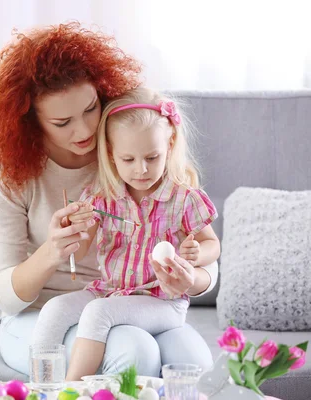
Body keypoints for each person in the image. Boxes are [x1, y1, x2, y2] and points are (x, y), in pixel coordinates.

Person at [0, 22, 218, 378]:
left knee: (193, 361)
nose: (84, 131)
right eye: (62, 122)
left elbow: (199, 247)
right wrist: (53, 251)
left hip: (137, 304)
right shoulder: (11, 171)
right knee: (135, 350)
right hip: (41, 315)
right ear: (31, 122)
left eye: (90, 108)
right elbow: (6, 297)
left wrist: (189, 278)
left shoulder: (132, 143)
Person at [28, 87, 220, 381]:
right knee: (55, 309)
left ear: (169, 145)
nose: (141, 170)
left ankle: (70, 391)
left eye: (152, 157)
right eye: (128, 159)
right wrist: (74, 233)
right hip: (110, 289)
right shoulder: (102, 196)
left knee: (97, 313)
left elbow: (212, 244)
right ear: (111, 154)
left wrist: (198, 254)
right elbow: (79, 253)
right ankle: (41, 386)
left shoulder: (183, 198)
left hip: (163, 301)